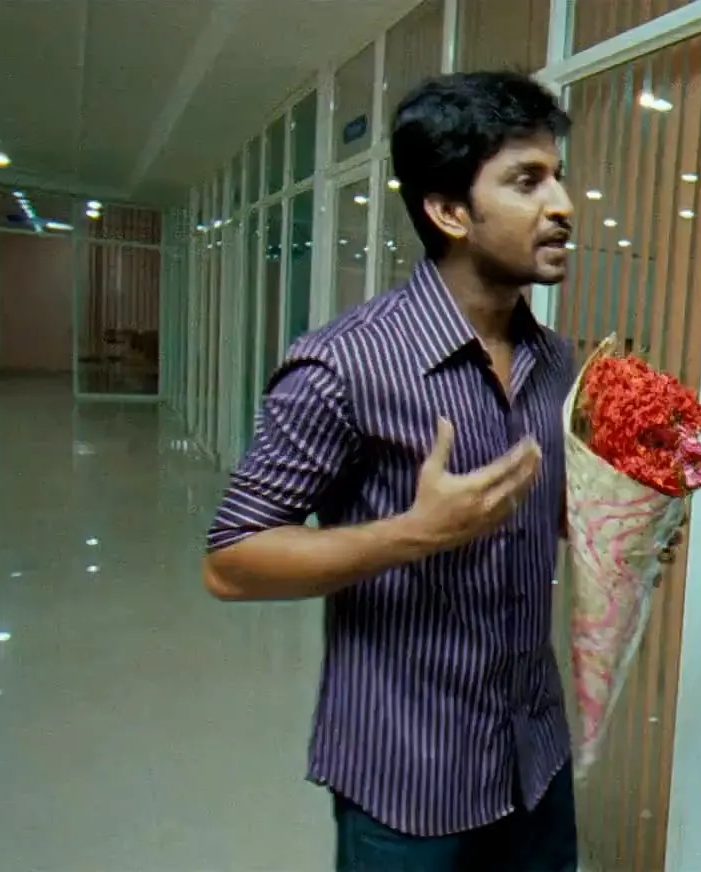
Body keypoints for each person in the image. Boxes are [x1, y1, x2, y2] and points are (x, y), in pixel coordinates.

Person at [202, 71, 579, 872]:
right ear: (449, 212)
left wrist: (620, 522)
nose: (563, 204)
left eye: (558, 175)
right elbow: (231, 562)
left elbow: (532, 517)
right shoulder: (343, 366)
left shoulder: (556, 364)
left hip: (534, 758)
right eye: (527, 181)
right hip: (407, 773)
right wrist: (415, 533)